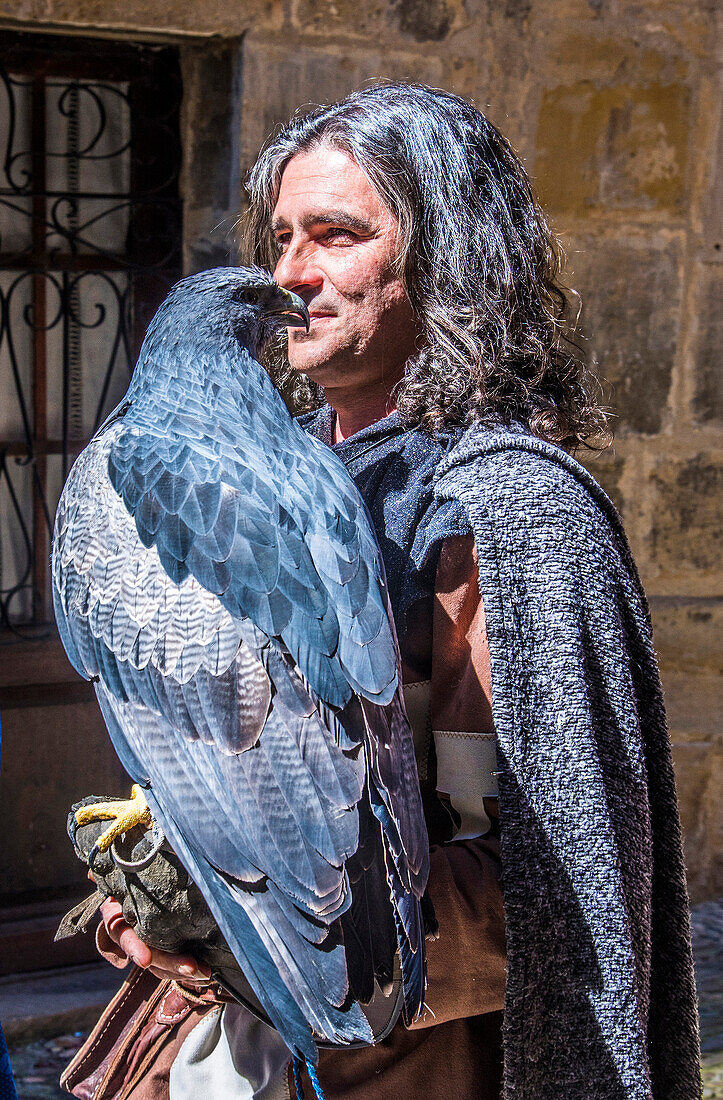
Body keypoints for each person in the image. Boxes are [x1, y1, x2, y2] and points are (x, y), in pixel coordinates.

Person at [84, 83, 700, 1100]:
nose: (292, 273)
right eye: (282, 237)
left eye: (336, 234)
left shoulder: (505, 512)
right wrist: (156, 889)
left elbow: (549, 898)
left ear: (444, 263)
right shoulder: (258, 480)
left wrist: (247, 924)